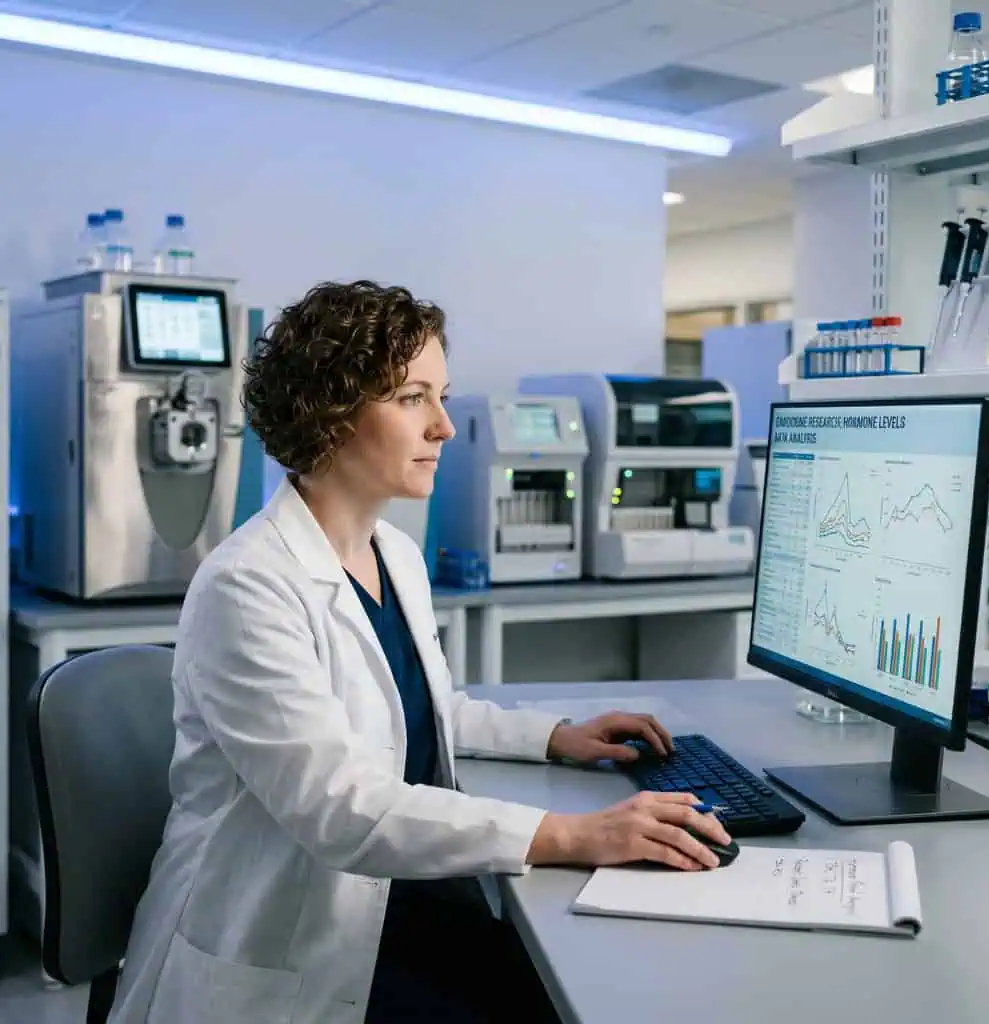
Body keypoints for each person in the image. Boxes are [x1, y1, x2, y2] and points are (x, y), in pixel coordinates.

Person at [108, 280, 731, 1024]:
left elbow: (419, 711)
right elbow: (340, 808)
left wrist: (557, 737)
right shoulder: (247, 587)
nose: (444, 427)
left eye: (441, 396)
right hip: (284, 951)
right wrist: (573, 835)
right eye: (412, 398)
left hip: (393, 908)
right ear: (329, 413)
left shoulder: (393, 554)